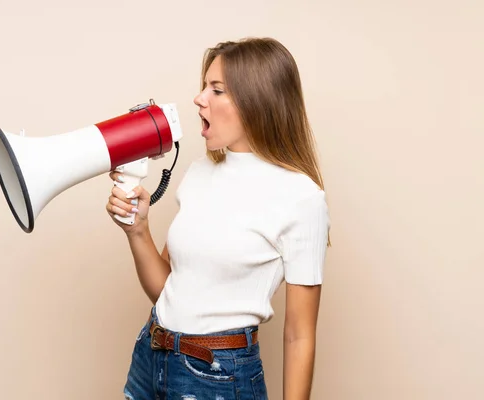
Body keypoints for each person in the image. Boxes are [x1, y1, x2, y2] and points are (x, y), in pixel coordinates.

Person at [106, 37, 331, 400]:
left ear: (256, 101)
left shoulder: (302, 198)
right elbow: (168, 290)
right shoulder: (200, 172)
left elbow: (299, 335)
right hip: (152, 356)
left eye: (217, 89)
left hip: (216, 377)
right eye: (203, 87)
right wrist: (138, 231)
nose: (199, 99)